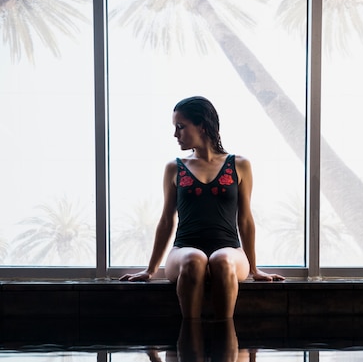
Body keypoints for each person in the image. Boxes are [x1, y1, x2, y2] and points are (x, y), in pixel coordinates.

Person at [120, 96, 284, 319]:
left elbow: (245, 219)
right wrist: (150, 270)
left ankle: (226, 338)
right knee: (194, 260)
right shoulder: (174, 168)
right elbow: (167, 220)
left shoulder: (240, 165)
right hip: (184, 250)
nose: (175, 134)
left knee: (222, 261)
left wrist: (255, 270)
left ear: (203, 126)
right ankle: (190, 338)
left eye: (181, 127)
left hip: (230, 250)